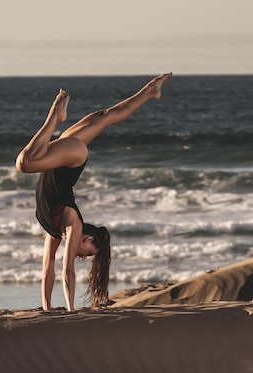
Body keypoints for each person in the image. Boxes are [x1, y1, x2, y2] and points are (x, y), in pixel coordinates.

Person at [16, 72, 172, 311]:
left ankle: (150, 90)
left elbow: (48, 267)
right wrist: (70, 311)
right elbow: (66, 271)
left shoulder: (55, 229)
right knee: (24, 164)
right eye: (89, 253)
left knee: (105, 116)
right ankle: (55, 117)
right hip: (72, 158)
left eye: (86, 257)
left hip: (66, 154)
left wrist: (46, 309)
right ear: (88, 239)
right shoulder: (72, 224)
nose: (82, 257)